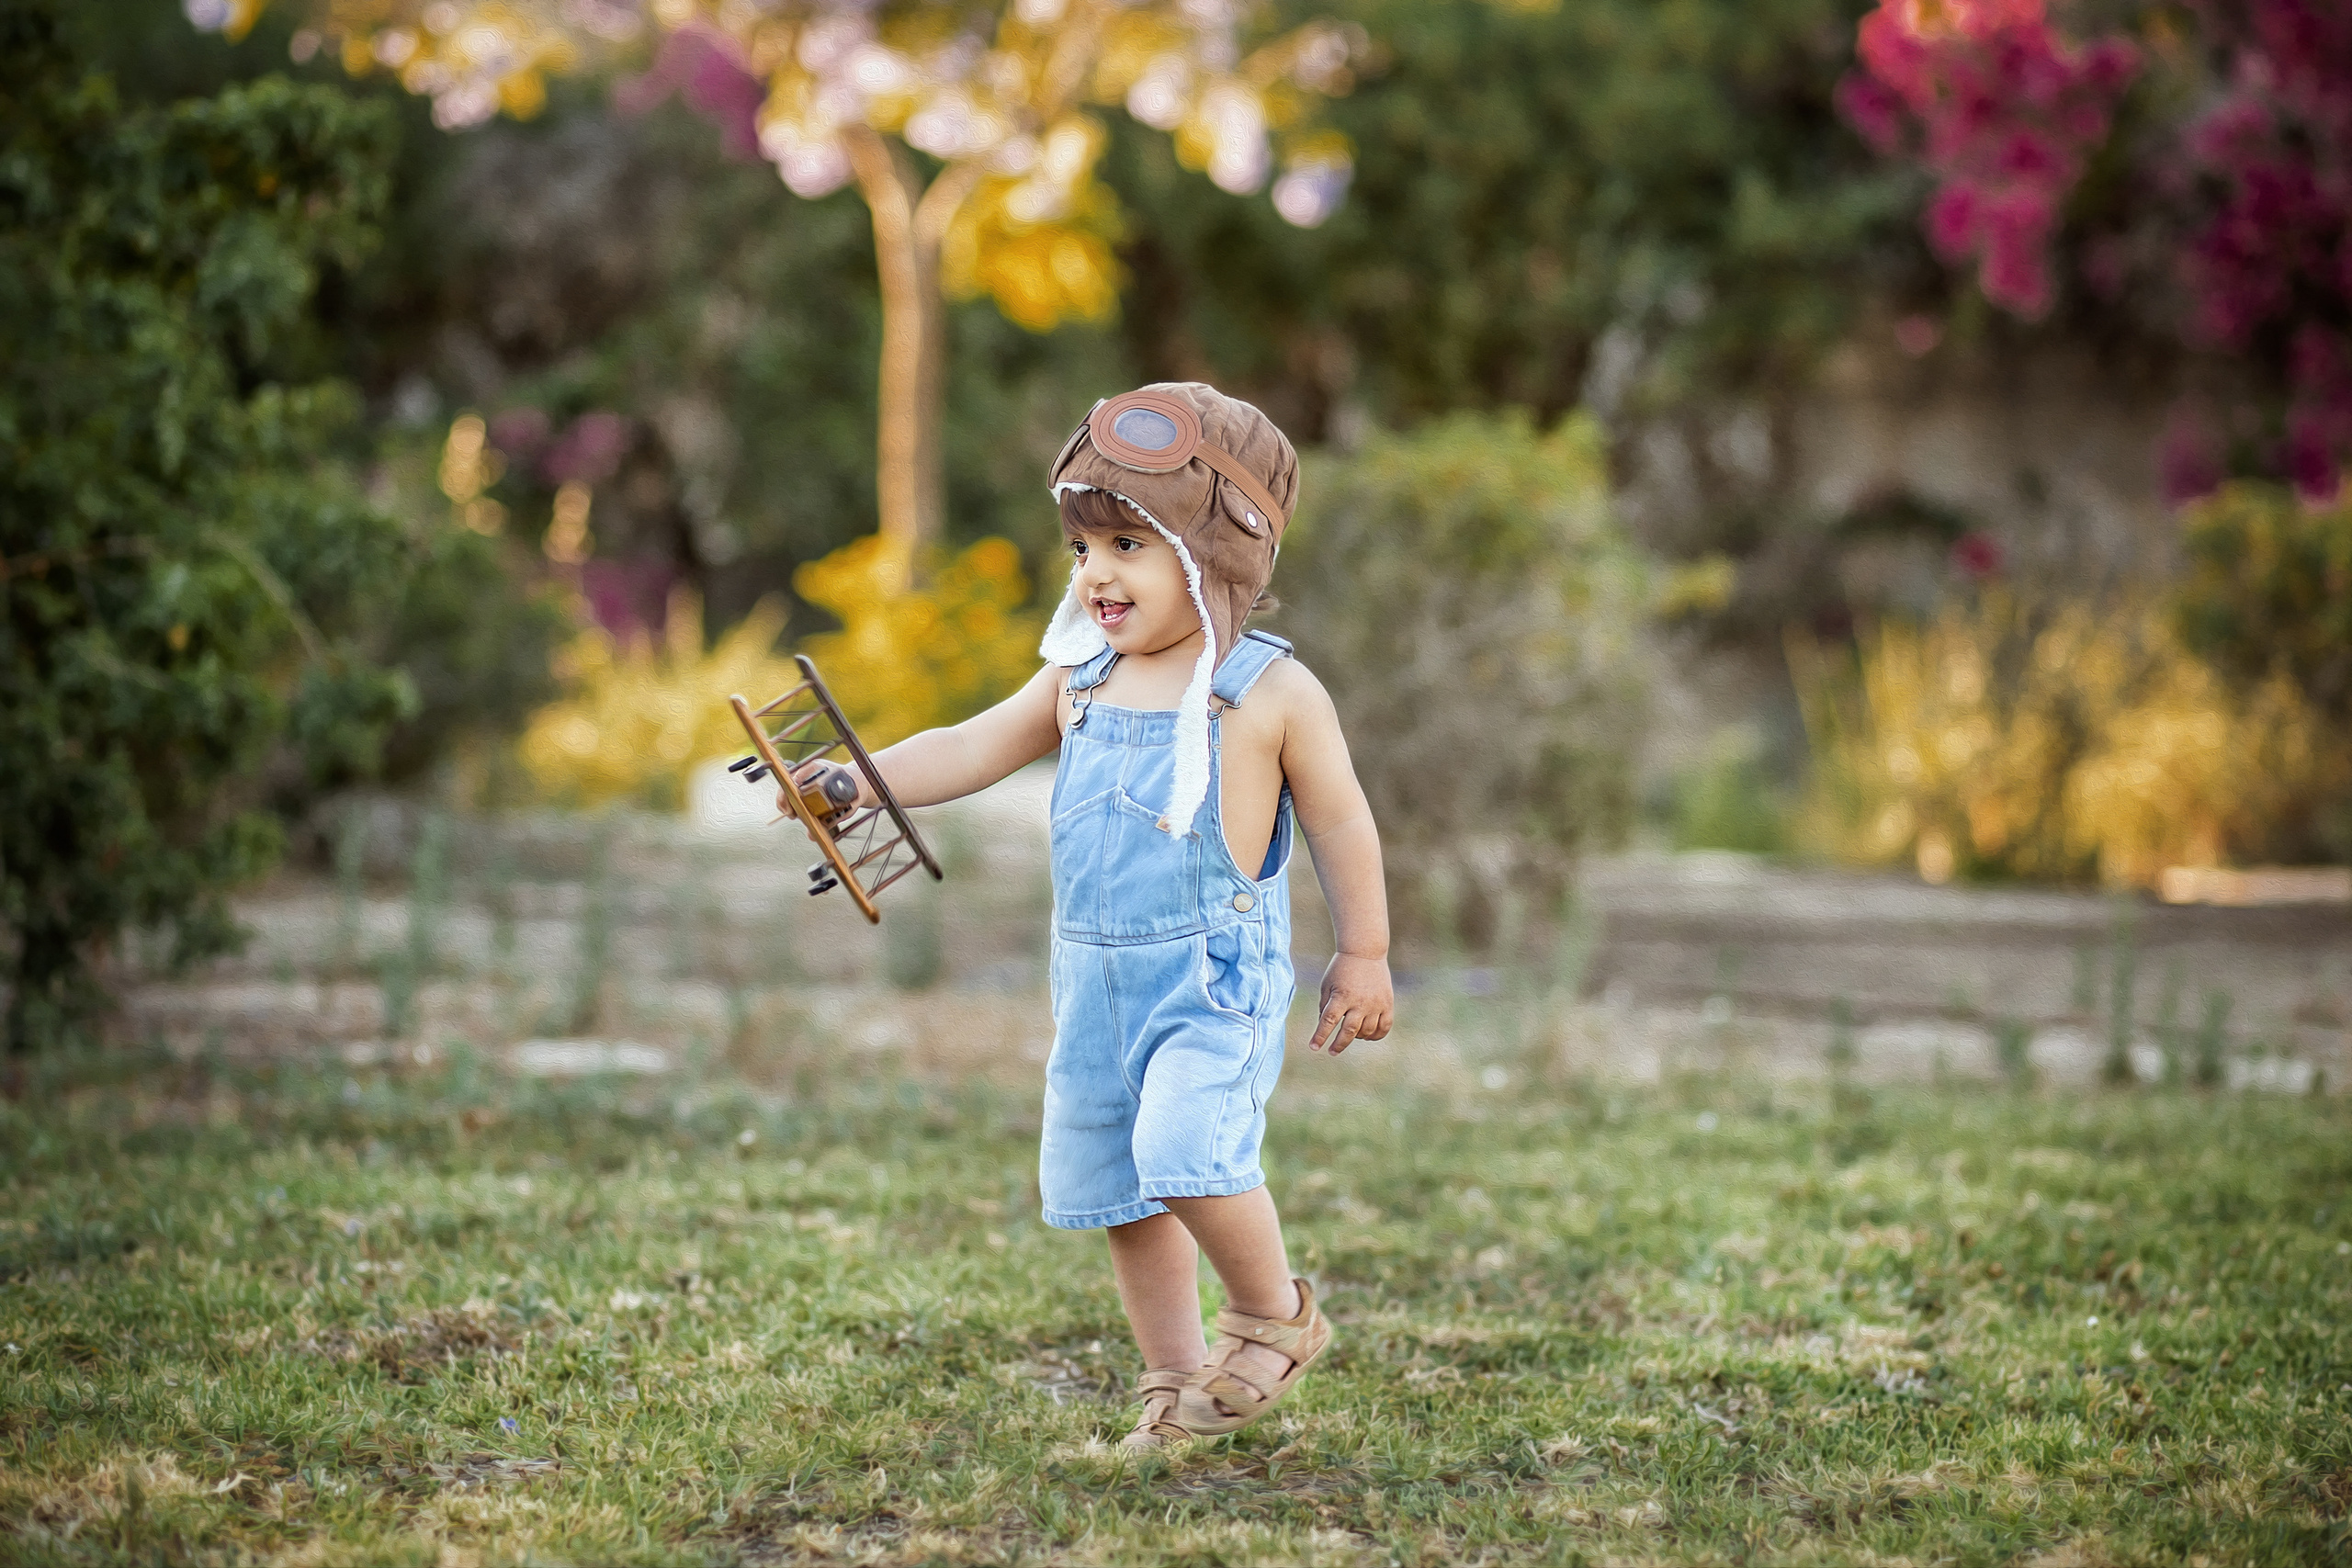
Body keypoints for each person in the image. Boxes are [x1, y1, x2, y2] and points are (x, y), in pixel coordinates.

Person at [805, 383, 1394, 1450]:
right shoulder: (1081, 676)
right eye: (1083, 546)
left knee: (1183, 1149)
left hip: (1210, 980)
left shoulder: (1267, 692)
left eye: (1130, 542)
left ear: (1217, 551)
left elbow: (1343, 824)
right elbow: (968, 744)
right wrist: (859, 778)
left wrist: (1365, 951)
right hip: (1094, 984)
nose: (1096, 574)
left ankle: (1272, 1313)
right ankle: (1173, 1384)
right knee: (1120, 1190)